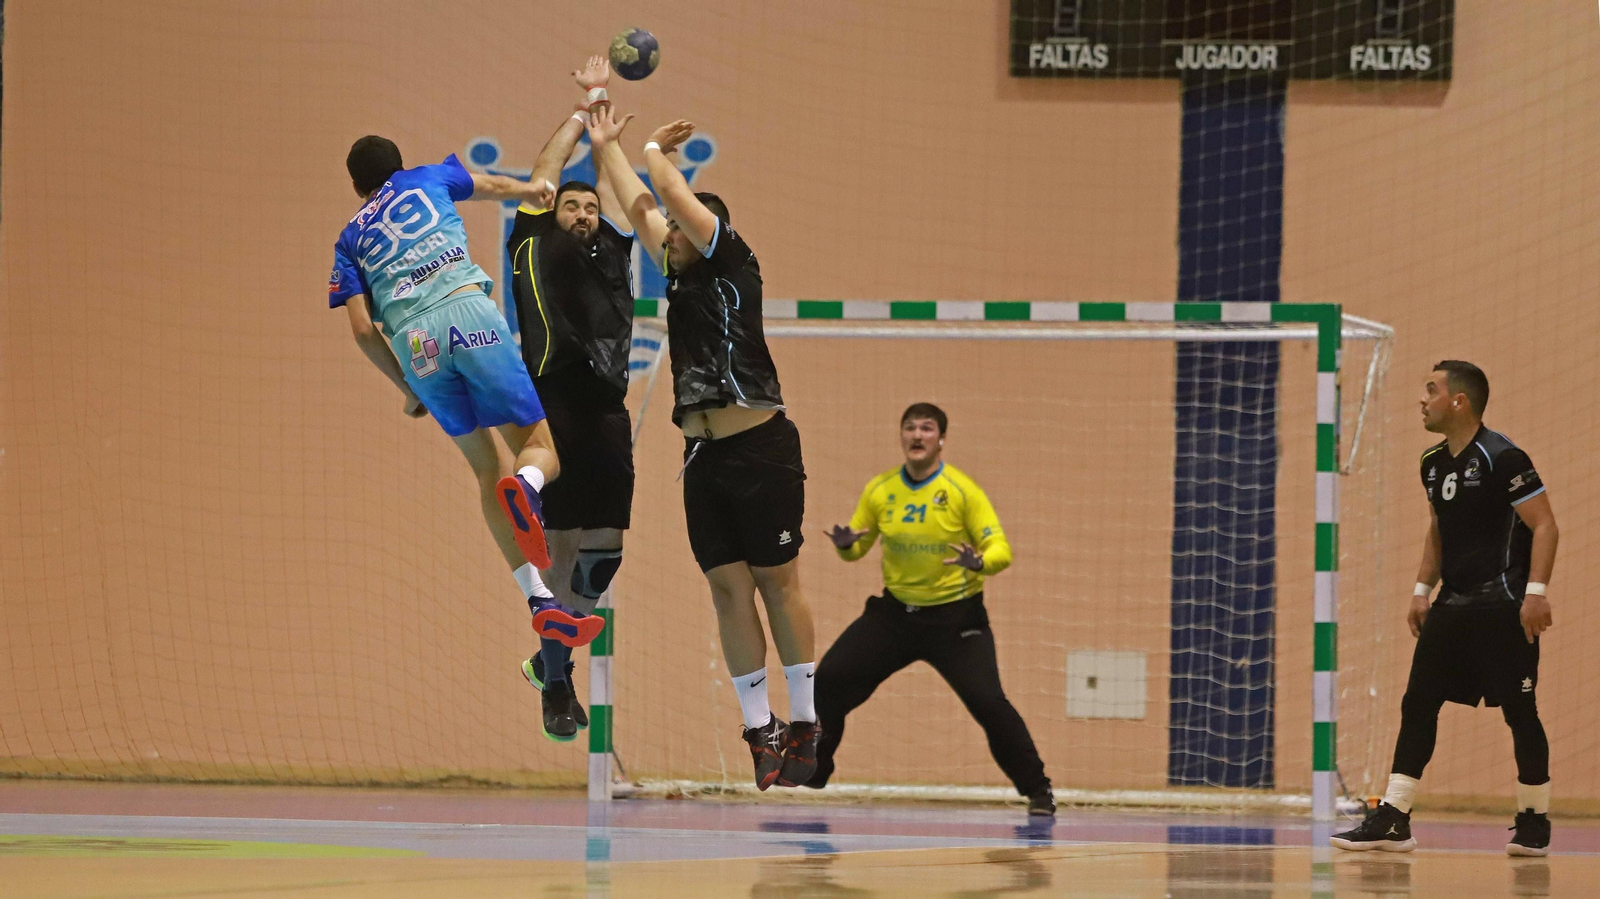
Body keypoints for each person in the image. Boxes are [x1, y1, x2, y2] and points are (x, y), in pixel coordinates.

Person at [587, 104, 821, 790]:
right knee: (727, 590)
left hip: (762, 447)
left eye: (681, 227)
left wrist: (657, 150)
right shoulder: (682, 271)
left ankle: (805, 721)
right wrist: (607, 146)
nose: (668, 237)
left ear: (703, 229)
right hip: (703, 456)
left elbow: (664, 197)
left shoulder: (730, 258)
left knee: (778, 581)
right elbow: (638, 205)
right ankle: (760, 727)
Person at [327, 137, 604, 661]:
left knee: (484, 470)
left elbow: (364, 331)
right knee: (539, 448)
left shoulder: (349, 239)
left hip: (414, 346)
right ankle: (527, 487)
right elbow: (495, 186)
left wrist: (409, 389)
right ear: (398, 164)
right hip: (464, 310)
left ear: (357, 188)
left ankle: (539, 601)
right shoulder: (428, 178)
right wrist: (533, 187)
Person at [1332, 361, 1558, 856]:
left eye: (1430, 390)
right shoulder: (1432, 462)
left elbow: (1544, 525)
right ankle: (1394, 817)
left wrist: (1536, 592)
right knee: (1417, 704)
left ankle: (1534, 818)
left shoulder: (1504, 456)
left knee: (1521, 712)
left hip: (1504, 608)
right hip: (1451, 607)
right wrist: (1420, 589)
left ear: (1459, 401)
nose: (1422, 399)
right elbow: (1438, 529)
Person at [813, 403, 1055, 816]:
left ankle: (1038, 790)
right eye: (910, 428)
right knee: (829, 678)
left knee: (989, 702)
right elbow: (858, 549)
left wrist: (980, 562)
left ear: (941, 439)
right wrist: (845, 546)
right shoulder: (880, 489)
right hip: (894, 617)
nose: (918, 435)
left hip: (955, 620)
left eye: (927, 429)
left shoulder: (963, 491)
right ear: (901, 436)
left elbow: (1002, 550)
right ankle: (816, 768)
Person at [504, 57, 638, 743]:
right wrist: (583, 110)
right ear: (551, 212)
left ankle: (545, 658)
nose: (584, 213)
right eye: (572, 205)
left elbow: (615, 199)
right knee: (556, 554)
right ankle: (557, 686)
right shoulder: (533, 243)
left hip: (608, 408)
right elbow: (541, 173)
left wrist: (606, 130)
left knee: (606, 552)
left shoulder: (611, 250)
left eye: (589, 208)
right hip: (550, 399)